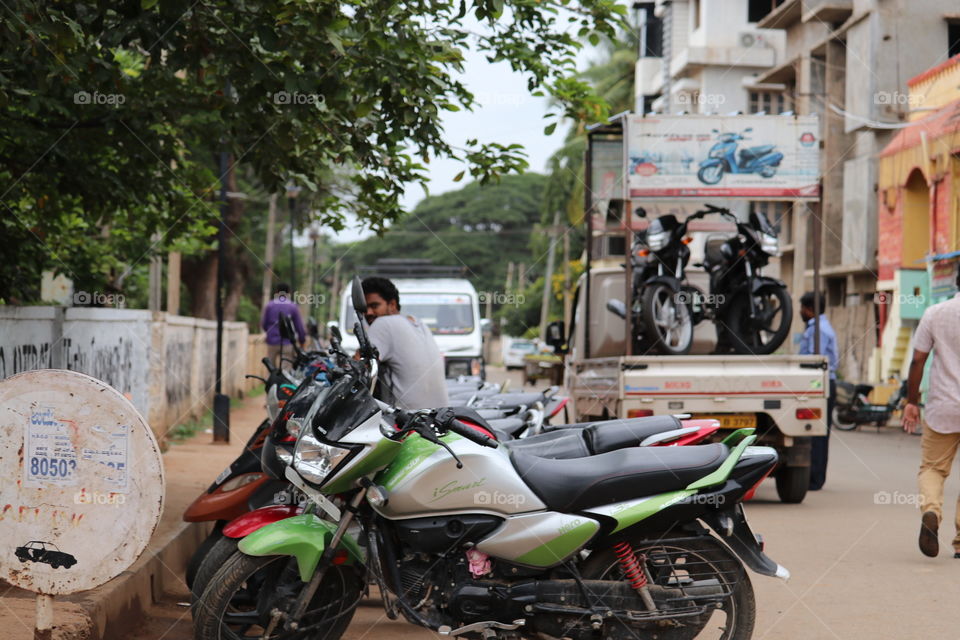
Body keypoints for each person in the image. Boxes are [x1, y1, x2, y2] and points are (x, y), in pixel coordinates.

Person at [902, 270, 960, 558]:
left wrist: (911, 401)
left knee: (933, 468)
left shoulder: (935, 313)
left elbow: (918, 360)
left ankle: (931, 512)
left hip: (943, 406)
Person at [362, 276, 448, 410]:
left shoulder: (383, 324)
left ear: (392, 304)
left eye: (374, 306)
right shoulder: (418, 324)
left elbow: (361, 367)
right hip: (438, 418)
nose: (368, 312)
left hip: (406, 424)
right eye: (364, 307)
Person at [798, 291, 838, 491]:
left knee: (817, 434)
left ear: (810, 309)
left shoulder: (818, 331)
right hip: (822, 383)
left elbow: (816, 362)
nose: (800, 312)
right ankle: (815, 477)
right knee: (818, 433)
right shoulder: (818, 328)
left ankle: (815, 478)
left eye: (803, 309)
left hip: (820, 384)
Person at [261, 283, 305, 368]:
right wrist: (302, 340)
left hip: (272, 342)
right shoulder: (293, 306)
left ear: (277, 291)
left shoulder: (270, 305)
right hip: (287, 343)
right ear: (289, 292)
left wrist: (270, 333)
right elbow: (299, 326)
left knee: (271, 370)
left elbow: (264, 324)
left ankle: (273, 381)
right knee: (286, 371)